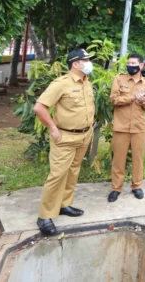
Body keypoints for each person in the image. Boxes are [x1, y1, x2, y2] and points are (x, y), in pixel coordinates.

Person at [33, 49, 95, 236]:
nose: (89, 63)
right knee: (57, 175)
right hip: (65, 137)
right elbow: (39, 107)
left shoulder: (86, 82)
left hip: (84, 136)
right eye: (85, 60)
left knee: (72, 172)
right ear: (75, 64)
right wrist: (53, 129)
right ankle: (44, 216)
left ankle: (64, 204)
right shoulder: (61, 84)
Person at [107, 53, 145, 203]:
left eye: (134, 63)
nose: (130, 65)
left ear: (141, 66)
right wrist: (132, 98)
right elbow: (114, 99)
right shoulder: (119, 79)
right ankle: (116, 188)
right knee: (118, 160)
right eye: (129, 63)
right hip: (121, 127)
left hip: (138, 127)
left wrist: (143, 101)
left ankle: (137, 186)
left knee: (138, 159)